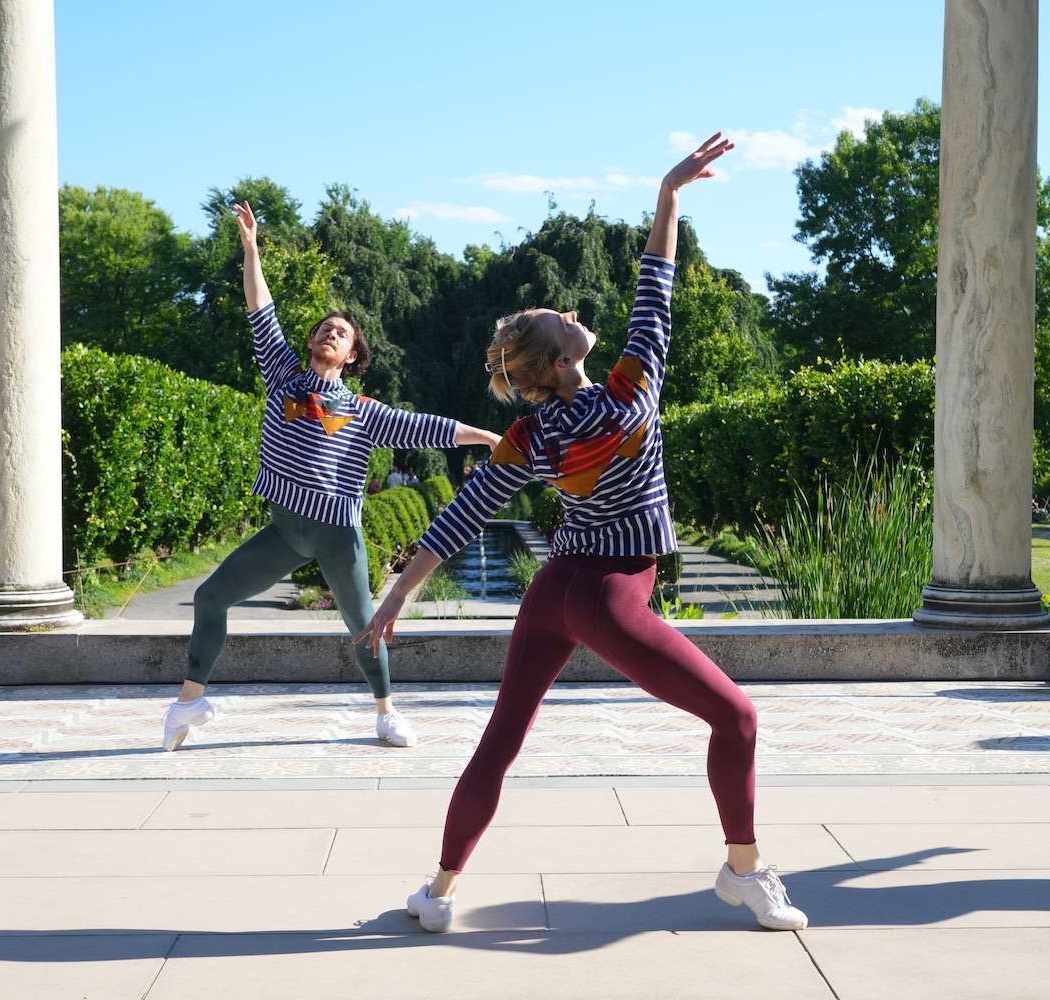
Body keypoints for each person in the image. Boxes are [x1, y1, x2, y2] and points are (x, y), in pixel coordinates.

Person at [355, 133, 807, 934]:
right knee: (736, 719)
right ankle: (743, 872)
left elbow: (462, 515)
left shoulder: (531, 435)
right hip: (605, 592)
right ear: (564, 357)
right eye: (561, 321)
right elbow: (655, 289)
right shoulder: (632, 390)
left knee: (500, 741)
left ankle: (438, 892)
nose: (572, 313)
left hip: (556, 587)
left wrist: (397, 594)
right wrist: (667, 197)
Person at [161, 200, 502, 753]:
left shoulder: (362, 410)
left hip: (337, 534)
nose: (329, 333)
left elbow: (426, 427)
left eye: (341, 332)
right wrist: (251, 250)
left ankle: (386, 712)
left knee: (364, 622)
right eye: (324, 327)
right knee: (209, 597)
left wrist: (485, 437)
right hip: (283, 532)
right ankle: (188, 703)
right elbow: (260, 308)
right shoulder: (283, 378)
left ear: (352, 355)